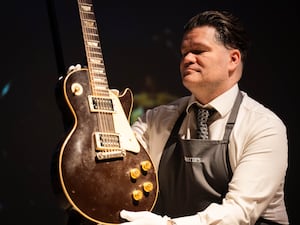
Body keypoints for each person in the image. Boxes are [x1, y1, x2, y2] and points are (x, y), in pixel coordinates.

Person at [117, 10, 289, 225]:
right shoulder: (155, 120)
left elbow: (239, 213)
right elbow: (117, 167)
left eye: (198, 51)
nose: (187, 59)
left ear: (233, 59)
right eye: (183, 53)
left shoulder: (264, 126)